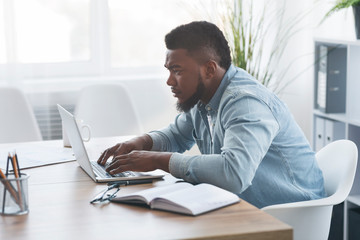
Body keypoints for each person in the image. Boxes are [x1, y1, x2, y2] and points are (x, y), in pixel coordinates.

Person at [98, 21, 326, 208]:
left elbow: (234, 174)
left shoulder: (245, 103)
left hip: (288, 215)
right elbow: (177, 136)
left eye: (177, 71)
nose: (169, 81)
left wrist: (159, 160)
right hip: (245, 207)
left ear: (209, 69)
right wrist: (141, 143)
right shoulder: (204, 96)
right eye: (169, 70)